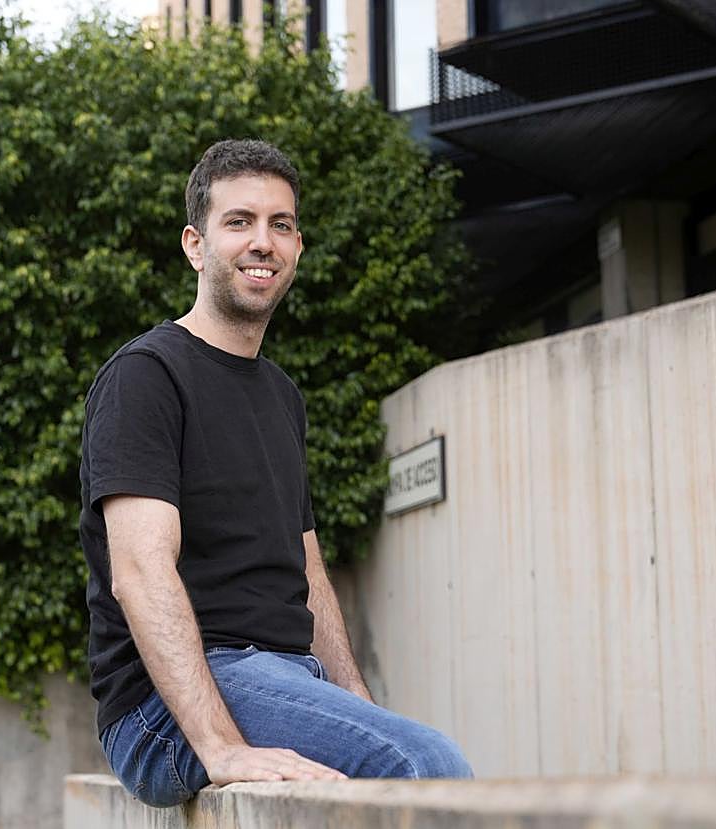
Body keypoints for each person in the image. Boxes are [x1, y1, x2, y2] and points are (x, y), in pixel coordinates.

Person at [78, 139, 472, 807]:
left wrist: (355, 705)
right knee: (425, 762)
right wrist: (220, 746)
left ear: (297, 248)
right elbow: (139, 572)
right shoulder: (146, 376)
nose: (263, 241)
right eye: (239, 222)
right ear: (196, 245)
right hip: (162, 710)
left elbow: (307, 570)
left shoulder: (282, 395)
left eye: (280, 225)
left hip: (283, 676)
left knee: (391, 762)